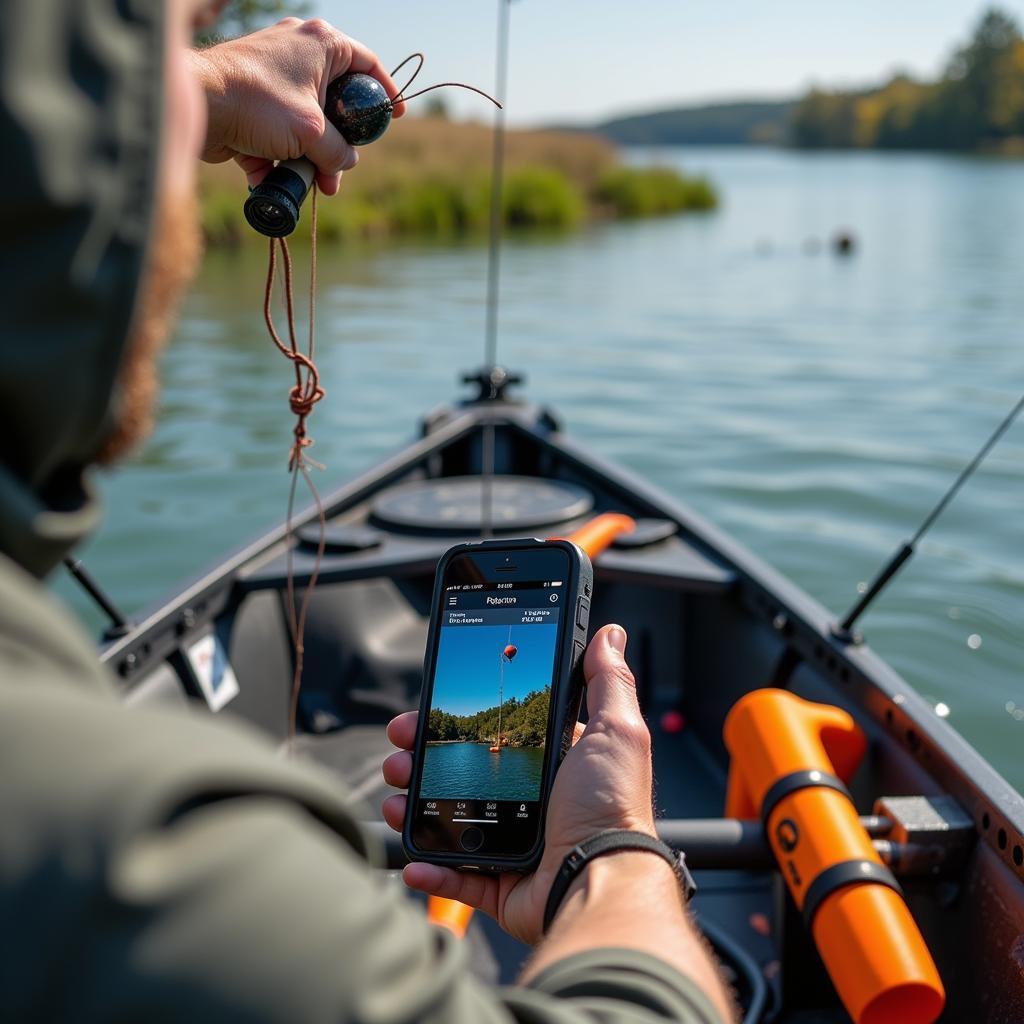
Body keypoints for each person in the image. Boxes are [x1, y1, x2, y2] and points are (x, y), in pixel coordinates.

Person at [0, 1, 734, 1021]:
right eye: (175, 41)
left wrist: (199, 87)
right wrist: (609, 852)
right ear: (69, 168)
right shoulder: (150, 865)